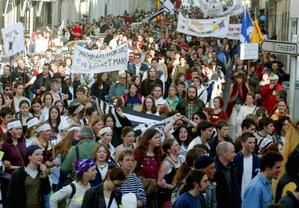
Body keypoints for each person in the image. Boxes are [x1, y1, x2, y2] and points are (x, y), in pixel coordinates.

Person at [234, 133, 260, 206]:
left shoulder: (257, 160)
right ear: (242, 143)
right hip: (239, 198)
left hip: (253, 198)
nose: (253, 145)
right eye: (250, 142)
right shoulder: (236, 159)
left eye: (254, 143)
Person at [157, 139, 182, 208]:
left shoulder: (180, 159)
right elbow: (159, 182)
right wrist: (172, 187)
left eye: (178, 145)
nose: (179, 146)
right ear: (168, 150)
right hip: (167, 198)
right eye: (176, 145)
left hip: (178, 195)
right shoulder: (166, 163)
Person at [214, 141, 238, 208]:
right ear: (224, 153)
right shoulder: (214, 170)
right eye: (232, 152)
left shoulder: (234, 166)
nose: (235, 154)